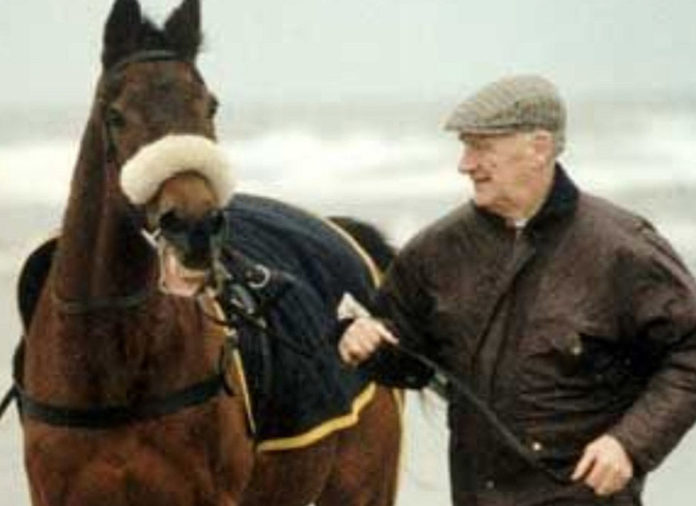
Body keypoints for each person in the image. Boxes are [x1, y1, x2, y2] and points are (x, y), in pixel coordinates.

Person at [338, 74, 696, 505]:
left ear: (539, 148)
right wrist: (363, 342)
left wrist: (630, 444)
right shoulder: (435, 251)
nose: (465, 164)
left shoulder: (623, 249)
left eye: (481, 147)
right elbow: (409, 361)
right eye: (464, 147)